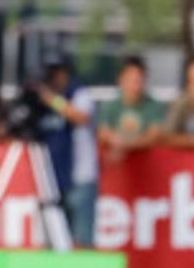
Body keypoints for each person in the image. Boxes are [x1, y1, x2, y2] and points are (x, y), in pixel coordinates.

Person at [34, 58, 98, 247]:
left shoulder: (78, 94)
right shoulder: (43, 104)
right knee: (53, 239)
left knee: (81, 239)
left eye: (56, 73)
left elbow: (81, 116)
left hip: (79, 176)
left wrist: (53, 101)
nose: (53, 79)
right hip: (53, 178)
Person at [97, 56, 166, 162]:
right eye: (131, 80)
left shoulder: (154, 106)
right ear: (121, 79)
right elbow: (102, 133)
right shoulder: (110, 106)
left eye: (139, 80)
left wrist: (122, 144)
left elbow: (154, 136)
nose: (135, 85)